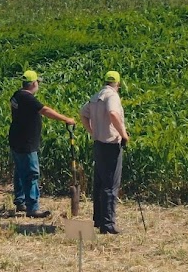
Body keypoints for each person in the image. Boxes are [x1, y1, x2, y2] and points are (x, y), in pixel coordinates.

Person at [9, 70, 76, 218]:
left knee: (20, 171)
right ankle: (32, 208)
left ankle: (20, 201)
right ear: (33, 83)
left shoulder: (16, 95)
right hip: (26, 142)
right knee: (32, 173)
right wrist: (66, 119)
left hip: (16, 139)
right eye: (37, 82)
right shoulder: (28, 98)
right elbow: (45, 110)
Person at [80, 70, 130, 234]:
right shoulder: (112, 96)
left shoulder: (96, 96)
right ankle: (108, 225)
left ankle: (99, 219)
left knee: (99, 183)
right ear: (118, 84)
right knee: (110, 185)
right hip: (110, 144)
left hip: (98, 143)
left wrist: (92, 131)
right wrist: (123, 134)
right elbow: (113, 113)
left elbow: (83, 113)